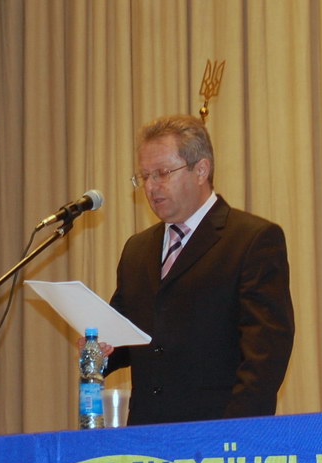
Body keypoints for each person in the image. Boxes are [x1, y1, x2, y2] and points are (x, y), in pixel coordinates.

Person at [83, 114, 295, 425]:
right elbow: (131, 338)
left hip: (216, 431)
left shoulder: (251, 239)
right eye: (144, 176)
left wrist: (235, 433)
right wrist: (100, 349)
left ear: (201, 170)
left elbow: (265, 356)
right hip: (145, 434)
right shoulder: (137, 250)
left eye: (162, 173)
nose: (151, 187)